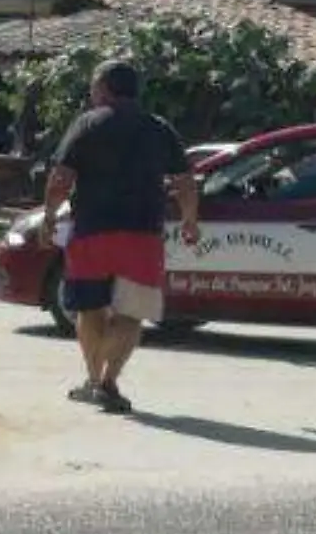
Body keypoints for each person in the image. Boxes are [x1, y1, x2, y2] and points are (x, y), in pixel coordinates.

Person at [39, 60, 200, 415]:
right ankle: (108, 381)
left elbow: (62, 177)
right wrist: (190, 219)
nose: (91, 93)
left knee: (89, 308)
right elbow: (185, 182)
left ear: (105, 89)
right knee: (131, 313)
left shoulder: (87, 123)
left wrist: (49, 216)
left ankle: (95, 380)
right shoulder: (159, 128)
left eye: (94, 86)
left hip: (92, 232)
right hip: (142, 235)